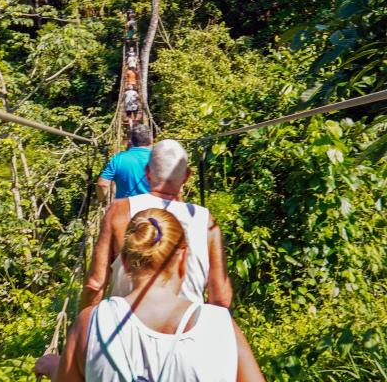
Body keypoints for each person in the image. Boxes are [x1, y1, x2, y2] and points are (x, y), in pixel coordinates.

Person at [36, 210, 264, 381]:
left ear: (124, 262)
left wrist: (53, 367)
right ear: (183, 258)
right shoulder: (219, 325)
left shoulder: (90, 323)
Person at [85, 139, 231, 310]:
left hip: (125, 328)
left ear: (147, 173)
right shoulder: (205, 220)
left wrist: (85, 326)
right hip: (186, 329)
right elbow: (220, 298)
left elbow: (95, 284)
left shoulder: (119, 210)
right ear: (187, 176)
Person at [96, 124, 152, 204]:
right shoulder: (158, 158)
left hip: (124, 210)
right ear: (150, 140)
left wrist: (102, 200)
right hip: (151, 210)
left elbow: (102, 184)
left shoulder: (118, 158)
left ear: (131, 141)